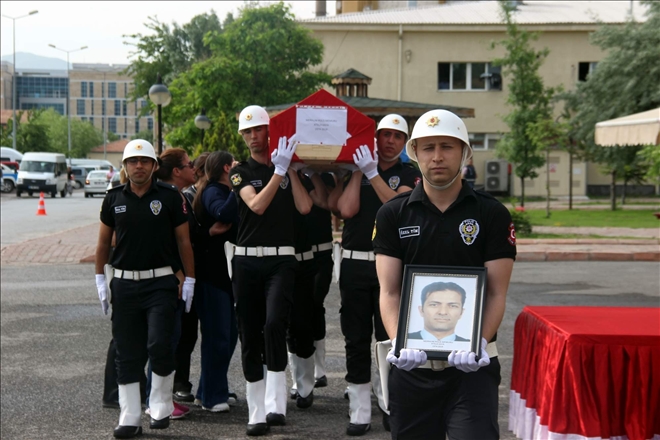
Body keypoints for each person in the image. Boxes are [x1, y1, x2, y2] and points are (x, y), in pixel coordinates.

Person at [373, 109, 516, 439]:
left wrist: (479, 340)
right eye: (428, 147)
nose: (437, 157)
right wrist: (398, 340)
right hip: (411, 370)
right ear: (416, 154)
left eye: (447, 147)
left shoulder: (491, 213)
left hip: (472, 369)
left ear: (465, 153)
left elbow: (496, 292)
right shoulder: (393, 213)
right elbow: (390, 291)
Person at [95, 139, 195, 439]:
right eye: (132, 162)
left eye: (144, 161)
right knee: (127, 351)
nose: (138, 166)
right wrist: (100, 278)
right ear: (124, 166)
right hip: (124, 283)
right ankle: (130, 414)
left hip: (161, 283)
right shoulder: (113, 198)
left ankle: (161, 403)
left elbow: (183, 242)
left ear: (154, 166)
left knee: (159, 344)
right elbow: (102, 243)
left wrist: (190, 279)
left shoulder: (169, 196)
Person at [328, 114, 421, 436]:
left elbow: (399, 205)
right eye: (384, 135)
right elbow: (347, 210)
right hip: (354, 261)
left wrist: (372, 173)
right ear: (375, 138)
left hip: (390, 264)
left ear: (404, 142)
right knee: (354, 338)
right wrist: (358, 171)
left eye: (397, 136)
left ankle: (390, 405)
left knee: (389, 339)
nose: (390, 141)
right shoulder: (359, 168)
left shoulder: (408, 172)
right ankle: (359, 410)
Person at [228, 105, 312, 436]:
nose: (252, 136)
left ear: (269, 131)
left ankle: (276, 403)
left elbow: (305, 207)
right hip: (247, 259)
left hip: (281, 259)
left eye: (258, 129)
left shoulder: (287, 169)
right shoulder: (240, 171)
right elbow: (257, 205)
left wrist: (289, 168)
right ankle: (256, 410)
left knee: (275, 323)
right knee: (249, 332)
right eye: (246, 131)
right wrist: (279, 171)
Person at [190, 150, 240, 413]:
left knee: (228, 335)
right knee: (217, 336)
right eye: (234, 166)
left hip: (221, 274)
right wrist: (239, 185)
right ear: (225, 168)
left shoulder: (217, 189)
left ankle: (207, 389)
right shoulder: (213, 191)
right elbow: (224, 213)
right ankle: (212, 396)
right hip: (210, 275)